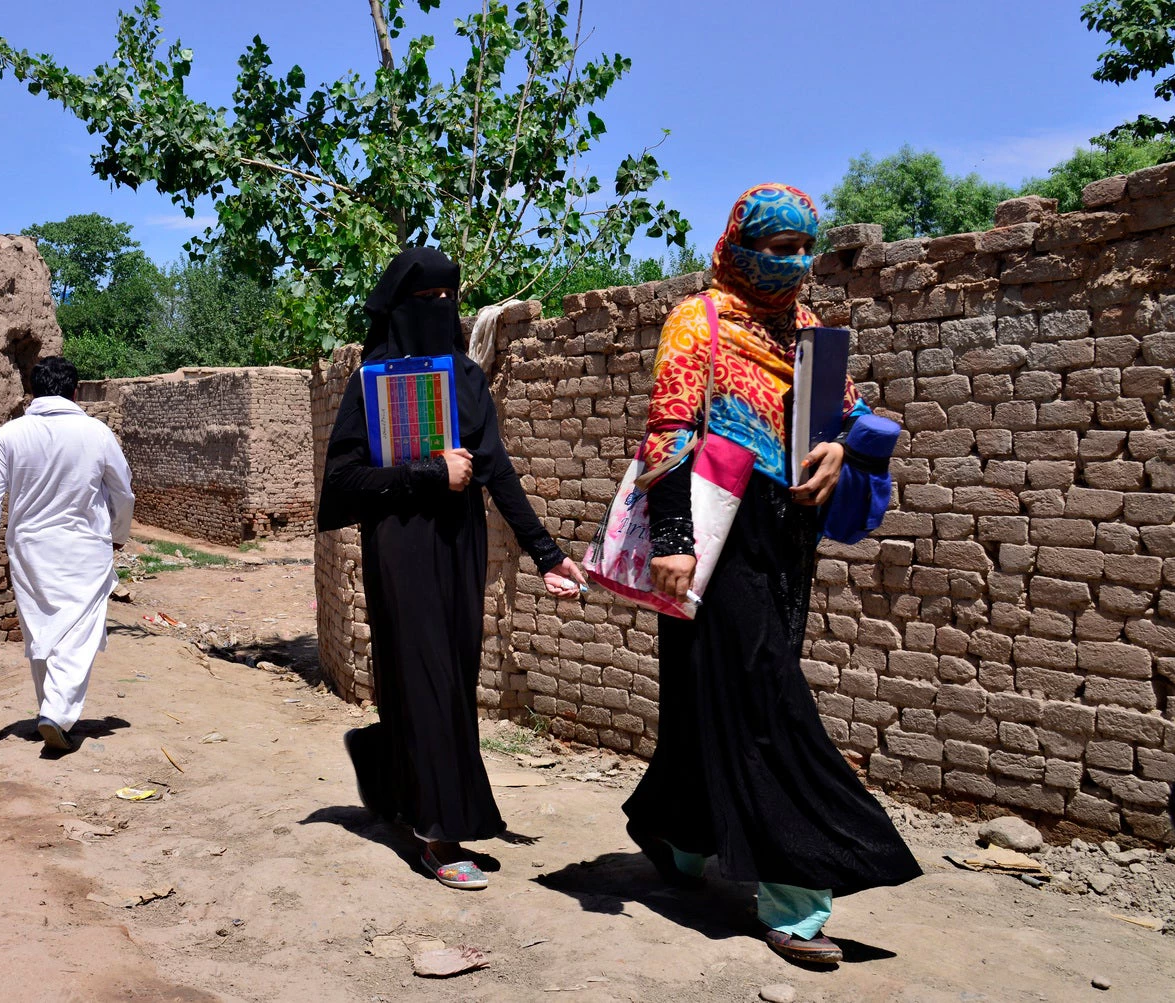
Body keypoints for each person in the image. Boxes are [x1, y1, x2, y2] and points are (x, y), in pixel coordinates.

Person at [621, 184, 921, 964]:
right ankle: (798, 892)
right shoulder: (699, 320)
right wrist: (673, 538)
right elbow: (668, 428)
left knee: (708, 689)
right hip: (713, 535)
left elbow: (845, 416)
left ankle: (677, 832)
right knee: (765, 696)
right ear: (737, 243)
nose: (790, 263)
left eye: (801, 249)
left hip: (789, 536)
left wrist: (844, 447)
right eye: (774, 247)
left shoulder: (811, 331)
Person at [318, 247, 587, 890]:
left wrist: (547, 554)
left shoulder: (466, 378)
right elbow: (341, 486)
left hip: (459, 550)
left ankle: (408, 788)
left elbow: (497, 471)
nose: (440, 311)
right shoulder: (371, 380)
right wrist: (428, 471)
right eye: (426, 301)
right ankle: (438, 833)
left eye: (450, 300)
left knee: (450, 682)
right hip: (400, 550)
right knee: (424, 677)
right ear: (399, 307)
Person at [0, 356, 135, 752]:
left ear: (34, 390)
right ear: (75, 391)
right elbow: (123, 491)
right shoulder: (96, 433)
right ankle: (56, 713)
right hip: (84, 550)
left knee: (42, 631)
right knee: (78, 633)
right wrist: (119, 533)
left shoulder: (10, 434)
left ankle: (49, 710)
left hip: (28, 550)